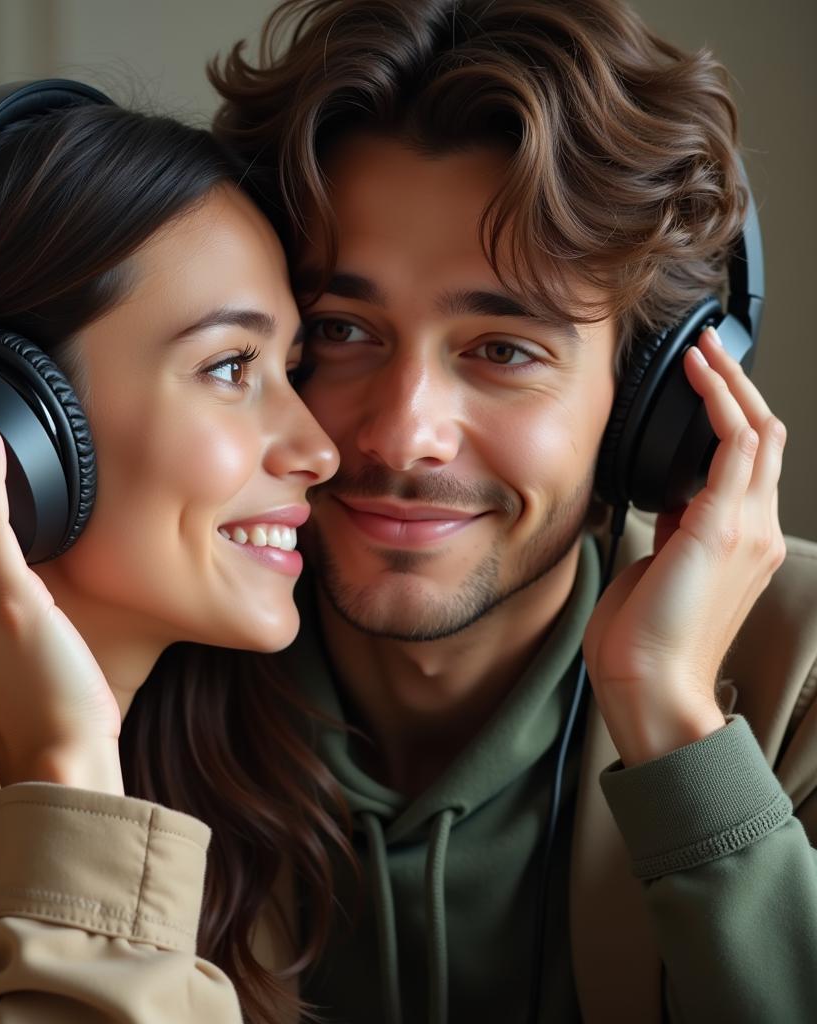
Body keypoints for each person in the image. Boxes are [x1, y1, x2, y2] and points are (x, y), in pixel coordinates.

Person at [204, 0, 817, 1021]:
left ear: (652, 398)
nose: (404, 436)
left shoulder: (799, 668)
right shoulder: (124, 669)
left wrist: (672, 726)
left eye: (502, 349)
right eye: (342, 329)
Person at [0, 82, 352, 1022]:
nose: (318, 449)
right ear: (3, 428)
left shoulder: (217, 786)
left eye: (291, 371)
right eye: (229, 368)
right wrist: (65, 774)